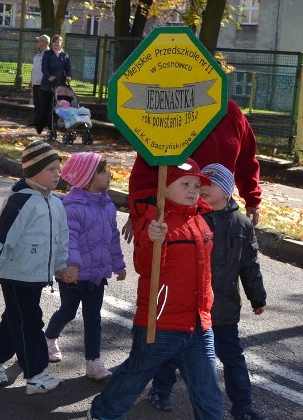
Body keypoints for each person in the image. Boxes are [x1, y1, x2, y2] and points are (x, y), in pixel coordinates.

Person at [86, 160, 222, 420]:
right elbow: (144, 266)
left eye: (197, 185)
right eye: (185, 184)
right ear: (165, 187)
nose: (193, 190)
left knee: (207, 390)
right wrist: (152, 239)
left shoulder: (201, 220)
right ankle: (103, 412)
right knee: (135, 375)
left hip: (199, 322)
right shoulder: (156, 220)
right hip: (161, 322)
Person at [147, 163, 268, 420]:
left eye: (208, 186)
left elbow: (250, 265)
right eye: (199, 186)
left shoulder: (242, 224)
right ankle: (160, 389)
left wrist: (257, 298)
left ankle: (244, 408)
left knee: (234, 360)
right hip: (192, 308)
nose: (201, 190)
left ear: (226, 191)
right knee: (173, 353)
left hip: (224, 310)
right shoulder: (195, 217)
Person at [0, 140, 71, 396]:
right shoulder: (20, 201)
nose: (57, 174)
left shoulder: (56, 203)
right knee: (29, 322)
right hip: (16, 274)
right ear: (33, 172)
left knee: (15, 319)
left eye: (58, 169)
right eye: (51, 169)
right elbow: (0, 237)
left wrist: (62, 266)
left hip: (36, 275)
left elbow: (61, 238)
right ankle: (36, 374)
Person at [44, 152, 126, 381]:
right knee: (68, 311)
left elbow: (112, 237)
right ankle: (49, 338)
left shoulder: (107, 204)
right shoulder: (73, 206)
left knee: (93, 317)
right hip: (72, 274)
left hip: (96, 275)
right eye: (102, 171)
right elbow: (69, 239)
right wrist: (72, 265)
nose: (109, 174)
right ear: (88, 179)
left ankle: (93, 361)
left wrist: (118, 263)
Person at [128, 99, 262, 225]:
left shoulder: (231, 111)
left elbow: (247, 160)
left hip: (221, 213)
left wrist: (252, 199)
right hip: (178, 216)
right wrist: (138, 213)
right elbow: (146, 167)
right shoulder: (171, 110)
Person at [35, 34, 71, 135]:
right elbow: (44, 68)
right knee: (46, 108)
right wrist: (48, 76)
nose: (56, 44)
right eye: (54, 42)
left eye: (58, 42)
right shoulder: (47, 54)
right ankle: (40, 127)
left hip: (59, 86)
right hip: (47, 86)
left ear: (61, 43)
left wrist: (68, 76)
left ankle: (52, 127)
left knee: (57, 108)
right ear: (52, 43)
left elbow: (68, 69)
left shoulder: (65, 56)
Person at [30, 34, 49, 130]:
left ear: (45, 42)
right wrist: (31, 80)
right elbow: (34, 68)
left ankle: (43, 123)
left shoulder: (49, 54)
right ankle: (36, 121)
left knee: (42, 104)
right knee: (36, 103)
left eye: (40, 40)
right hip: (36, 82)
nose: (38, 42)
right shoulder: (38, 53)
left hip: (43, 83)